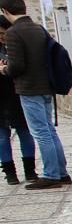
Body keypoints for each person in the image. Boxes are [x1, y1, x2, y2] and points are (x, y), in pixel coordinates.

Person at [0, 0, 70, 189]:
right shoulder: (38, 28)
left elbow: (17, 67)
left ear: (5, 11)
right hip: (46, 87)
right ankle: (62, 173)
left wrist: (4, 69)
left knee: (41, 132)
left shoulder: (14, 32)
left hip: (29, 89)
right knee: (49, 130)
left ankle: (51, 175)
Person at [0, 17, 36, 185]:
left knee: (24, 132)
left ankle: (30, 171)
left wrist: (6, 67)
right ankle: (10, 172)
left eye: (3, 33)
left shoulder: (17, 43)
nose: (1, 36)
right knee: (1, 136)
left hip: (18, 93)